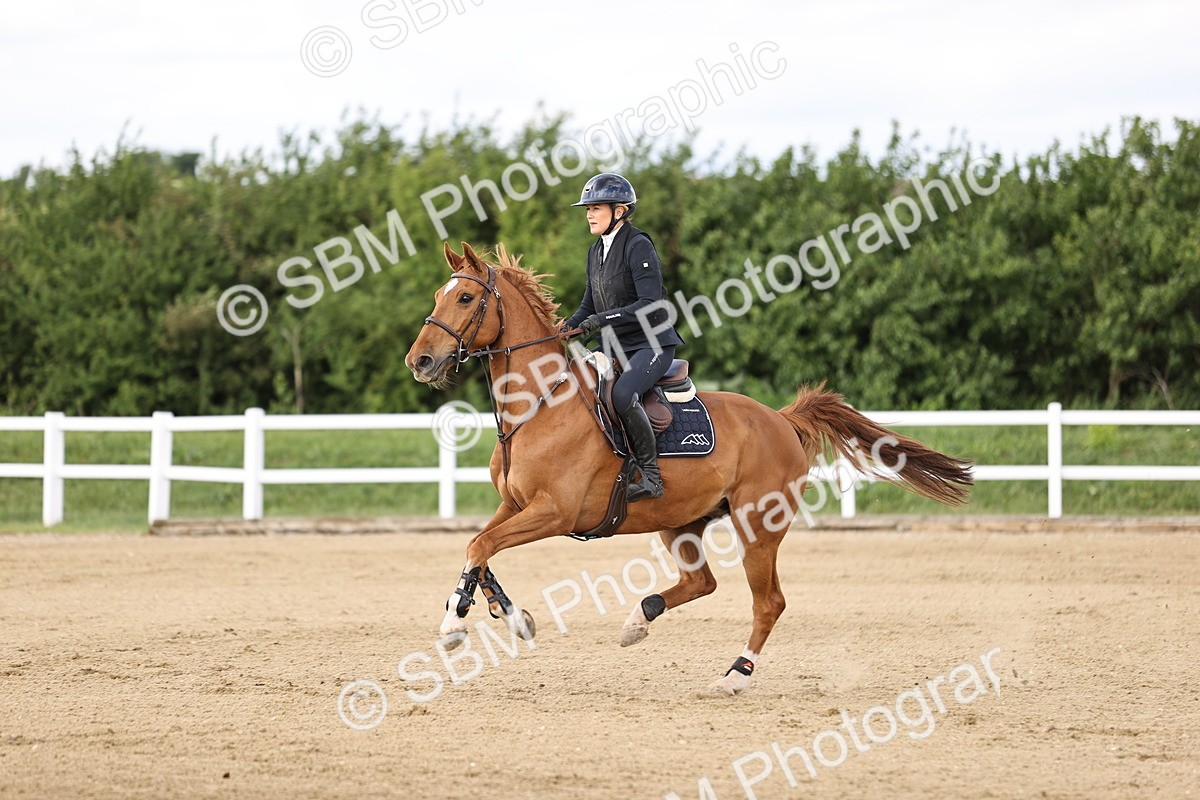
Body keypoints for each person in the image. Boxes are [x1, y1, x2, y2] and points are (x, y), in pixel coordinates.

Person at [560, 173, 685, 502]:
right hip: (614, 344)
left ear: (620, 211)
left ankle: (650, 476)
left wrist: (598, 321)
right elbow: (588, 304)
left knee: (623, 392)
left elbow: (650, 303)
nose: (589, 213)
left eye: (596, 207)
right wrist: (565, 328)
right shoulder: (595, 251)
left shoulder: (637, 244)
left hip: (652, 344)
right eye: (587, 208)